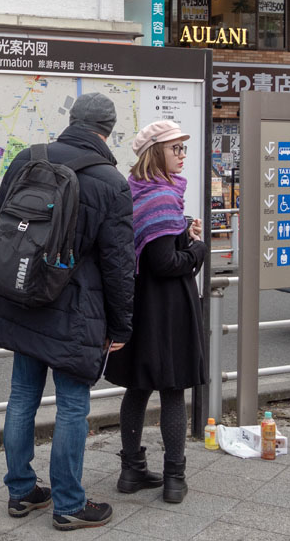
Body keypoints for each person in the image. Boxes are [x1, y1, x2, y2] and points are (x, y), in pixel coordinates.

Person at [0, 92, 134, 531]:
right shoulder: (110, 181)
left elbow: (1, 221)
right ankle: (68, 503)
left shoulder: (29, 159)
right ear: (107, 129)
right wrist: (122, 324)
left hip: (24, 293)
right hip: (76, 310)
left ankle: (22, 492)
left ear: (72, 120)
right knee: (71, 405)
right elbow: (119, 263)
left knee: (23, 395)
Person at [104, 119, 208, 504]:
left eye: (183, 148)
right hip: (168, 309)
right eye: (175, 148)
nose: (182, 155)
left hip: (137, 304)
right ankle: (174, 479)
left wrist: (181, 232)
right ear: (155, 154)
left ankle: (131, 470)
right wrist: (197, 248)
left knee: (137, 387)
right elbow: (165, 262)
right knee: (172, 391)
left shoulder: (133, 191)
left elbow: (147, 248)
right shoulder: (163, 196)